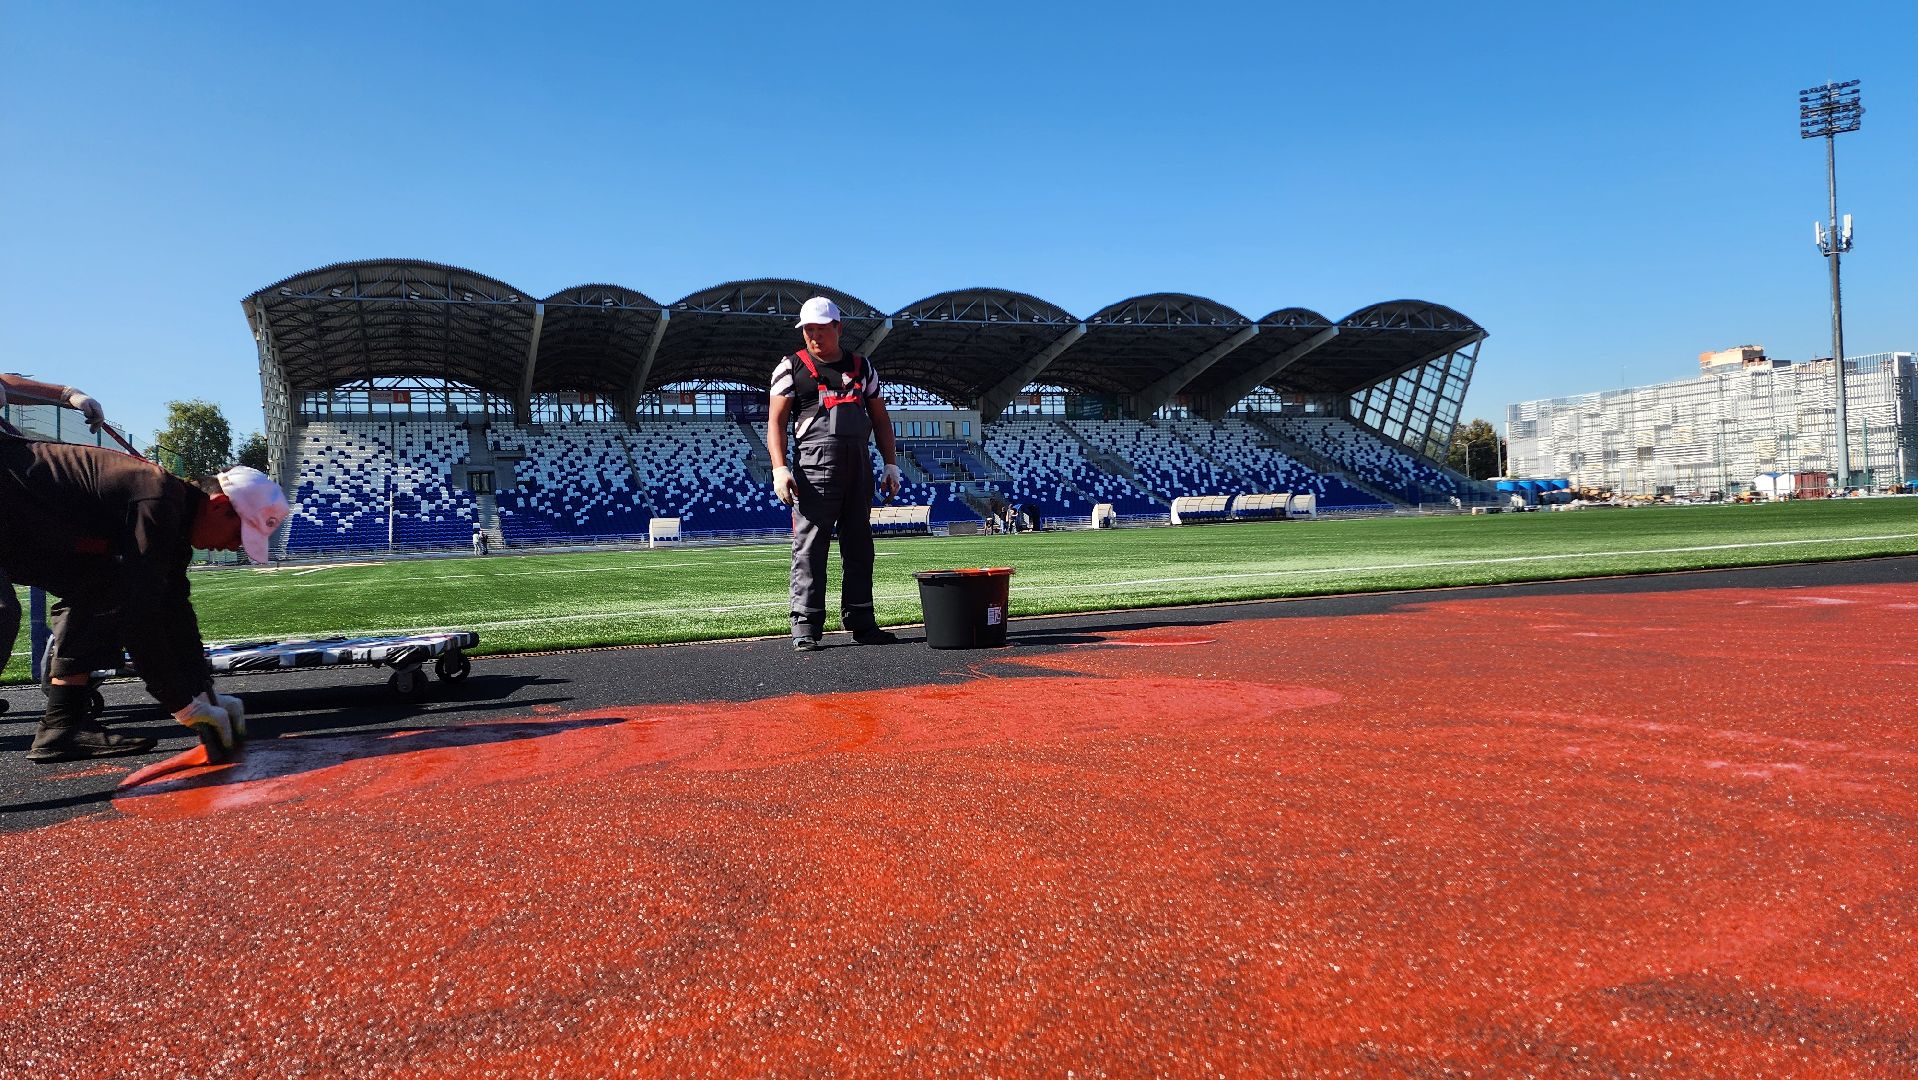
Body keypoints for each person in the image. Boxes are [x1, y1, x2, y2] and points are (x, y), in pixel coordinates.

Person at [0, 432, 290, 763]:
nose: (236, 546)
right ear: (220, 506)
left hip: (24, 530)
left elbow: (175, 609)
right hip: (12, 510)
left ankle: (61, 727)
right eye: (240, 533)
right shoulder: (158, 499)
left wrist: (203, 691)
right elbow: (141, 617)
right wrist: (183, 705)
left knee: (102, 588)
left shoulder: (176, 518)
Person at [766, 297, 902, 652]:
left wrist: (890, 464)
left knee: (860, 546)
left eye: (820, 329)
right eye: (807, 330)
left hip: (859, 466)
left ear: (838, 328)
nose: (813, 336)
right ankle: (806, 626)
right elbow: (776, 422)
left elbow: (881, 419)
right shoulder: (790, 367)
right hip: (814, 468)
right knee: (810, 548)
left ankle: (862, 621)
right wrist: (780, 469)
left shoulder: (862, 367)